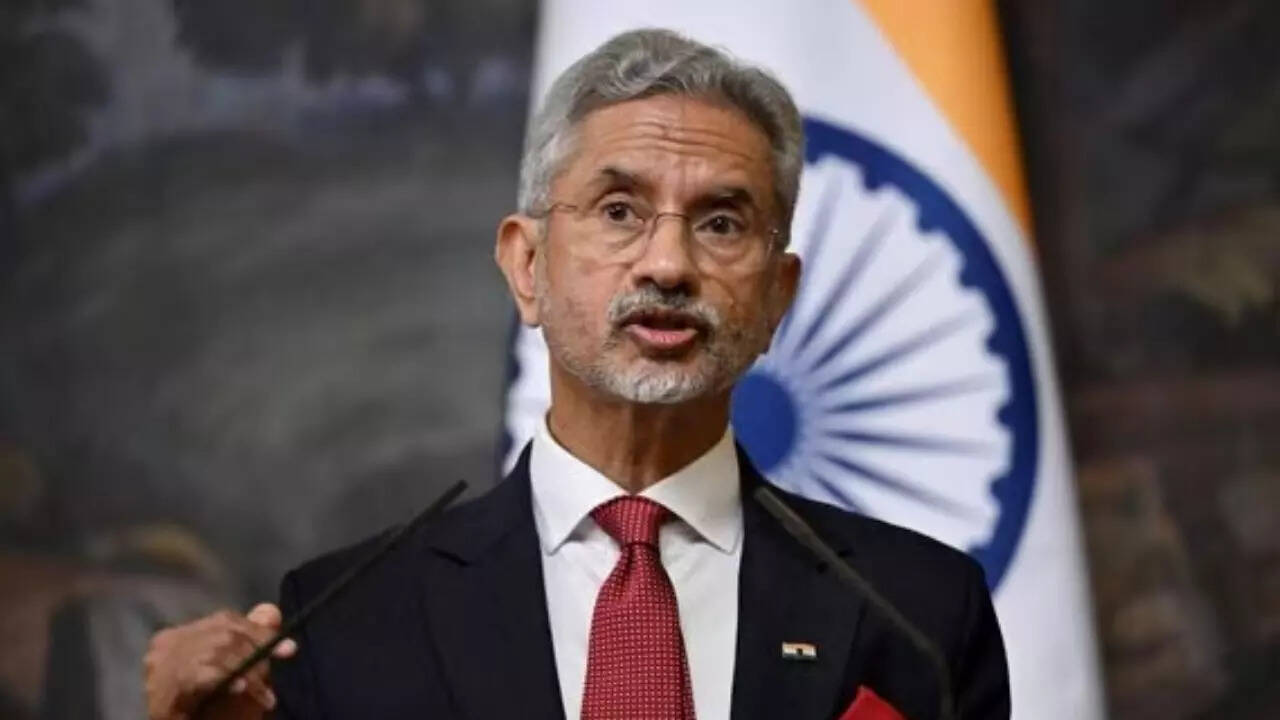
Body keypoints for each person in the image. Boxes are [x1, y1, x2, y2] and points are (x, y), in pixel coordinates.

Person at [144, 28, 1010, 720]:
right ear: (527, 266)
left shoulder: (919, 615)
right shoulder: (348, 616)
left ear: (777, 295)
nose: (667, 264)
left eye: (720, 223)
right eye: (619, 210)